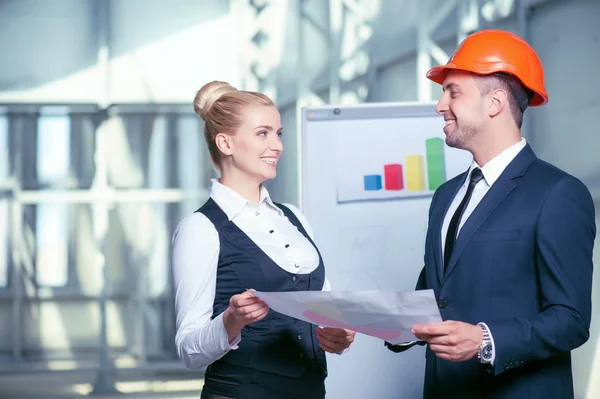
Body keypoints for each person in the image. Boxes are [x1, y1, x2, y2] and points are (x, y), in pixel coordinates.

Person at [385, 29, 596, 398]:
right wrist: (367, 321)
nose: (440, 106)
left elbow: (571, 320)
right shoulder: (446, 196)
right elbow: (435, 297)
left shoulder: (557, 193)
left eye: (453, 92)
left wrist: (484, 339)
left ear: (495, 102)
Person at [171, 81, 355, 399]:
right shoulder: (200, 229)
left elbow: (324, 310)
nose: (278, 146)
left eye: (278, 133)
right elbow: (189, 350)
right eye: (263, 133)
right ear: (225, 143)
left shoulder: (294, 218)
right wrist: (231, 321)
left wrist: (338, 333)